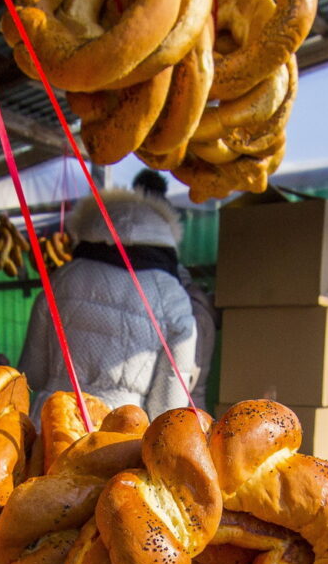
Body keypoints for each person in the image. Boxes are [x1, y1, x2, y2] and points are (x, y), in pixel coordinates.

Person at [19, 187, 198, 416]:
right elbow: (169, 403)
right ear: (163, 237)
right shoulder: (171, 295)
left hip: (53, 420)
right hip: (121, 432)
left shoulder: (63, 278)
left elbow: (32, 373)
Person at [133, 170, 218, 408]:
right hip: (152, 424)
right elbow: (183, 388)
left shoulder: (69, 276)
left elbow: (34, 371)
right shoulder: (181, 297)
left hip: (75, 415)